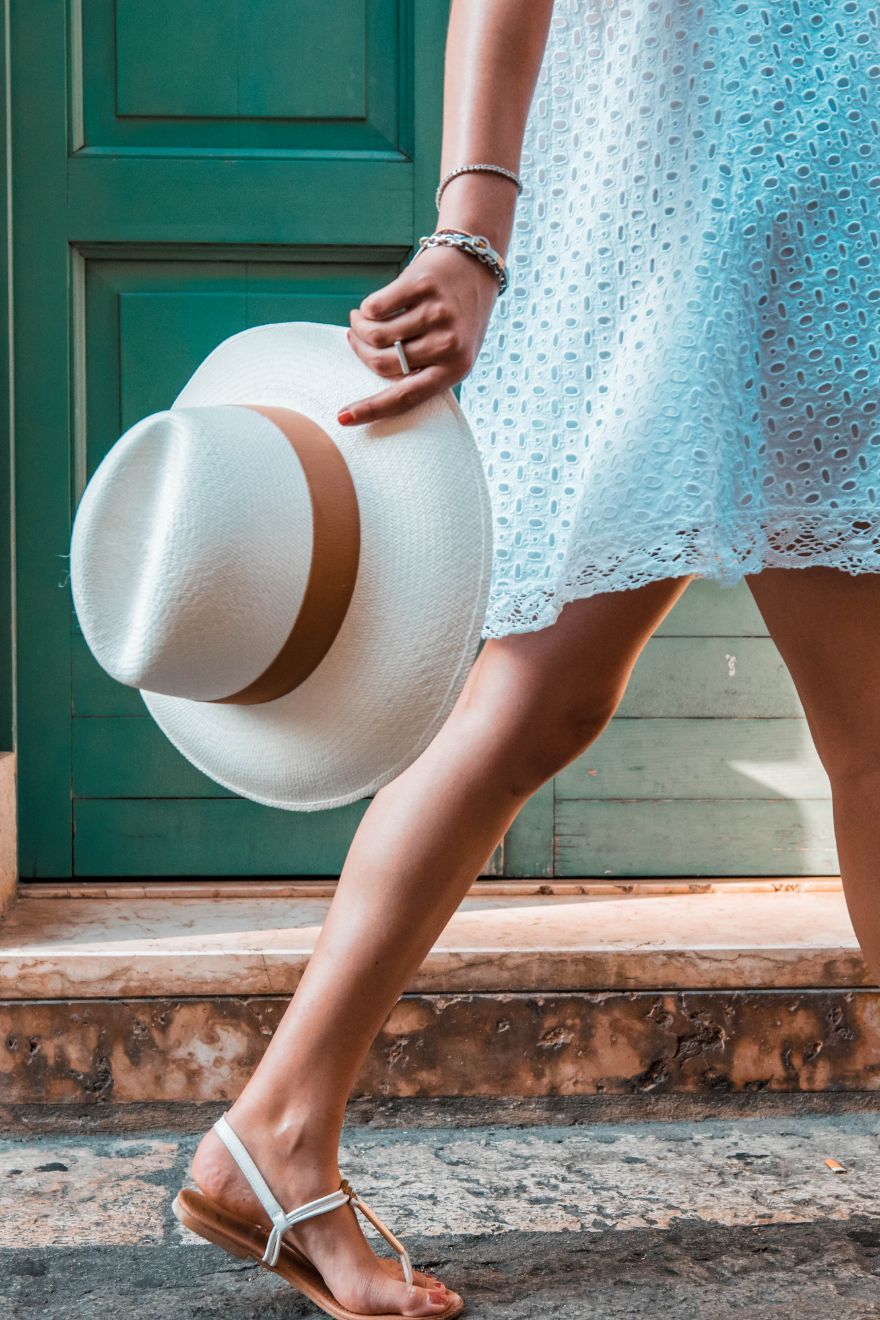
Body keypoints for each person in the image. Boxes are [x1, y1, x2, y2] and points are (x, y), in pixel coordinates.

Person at [189, 1, 880, 1314]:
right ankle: (273, 1132)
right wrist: (470, 231)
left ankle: (274, 1133)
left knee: (549, 704)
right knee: (555, 703)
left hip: (803, 206)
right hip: (711, 211)